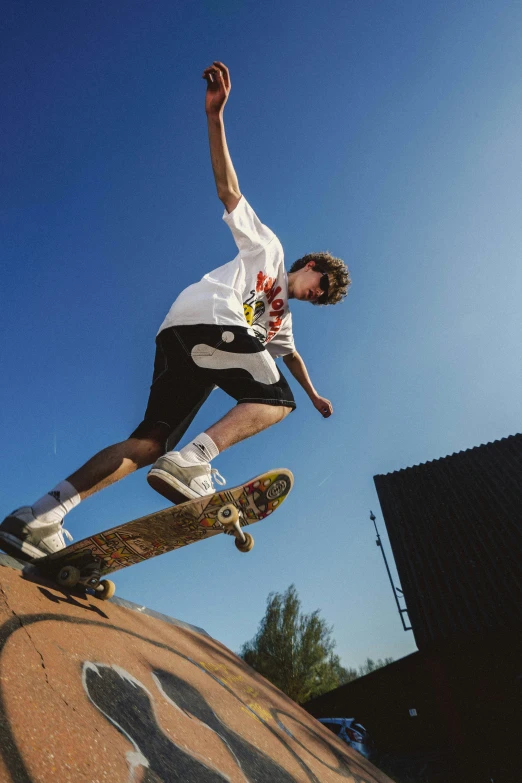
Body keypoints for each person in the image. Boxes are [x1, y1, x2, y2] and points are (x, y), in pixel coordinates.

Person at [0, 62, 350, 562]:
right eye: (323, 284)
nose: (320, 295)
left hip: (182, 342)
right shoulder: (268, 249)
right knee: (277, 399)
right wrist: (215, 118)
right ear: (310, 265)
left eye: (326, 298)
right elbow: (229, 192)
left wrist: (316, 394)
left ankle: (38, 516)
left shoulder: (280, 322)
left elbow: (290, 357)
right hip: (206, 318)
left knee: (149, 443)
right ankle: (197, 461)